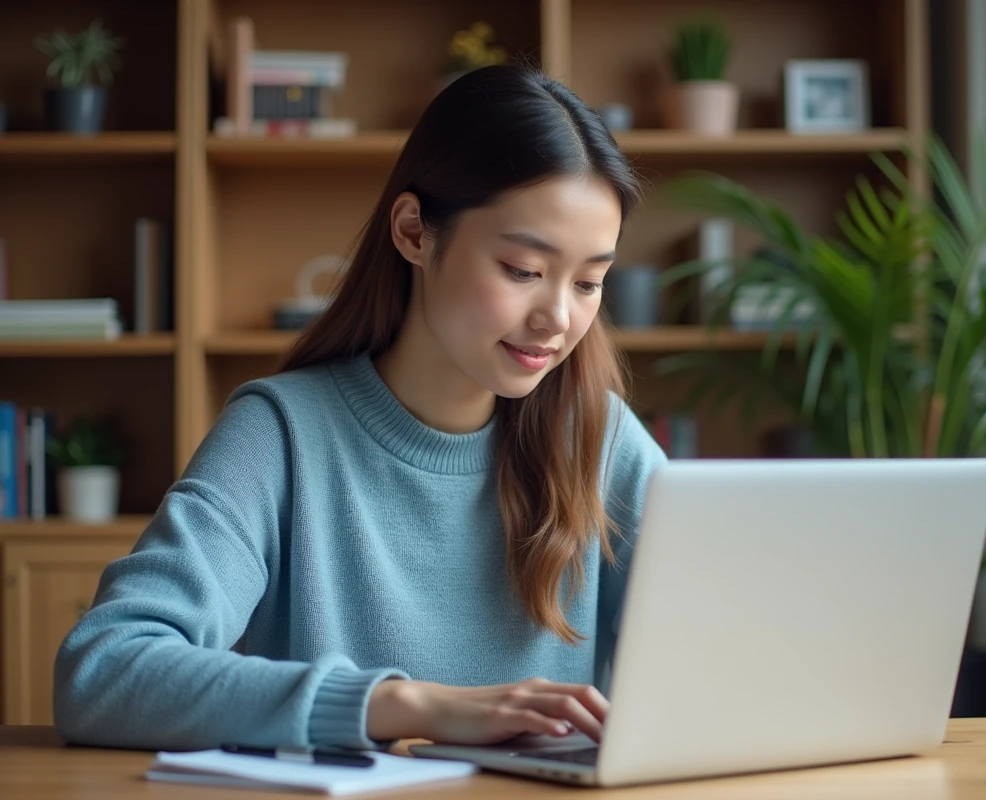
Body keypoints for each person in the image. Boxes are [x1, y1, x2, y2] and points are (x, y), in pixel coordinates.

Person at [53, 64, 667, 752]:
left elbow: (725, 653)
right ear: (414, 232)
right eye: (523, 270)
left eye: (589, 282)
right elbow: (103, 671)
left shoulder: (602, 439)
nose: (557, 316)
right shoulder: (282, 434)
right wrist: (402, 705)